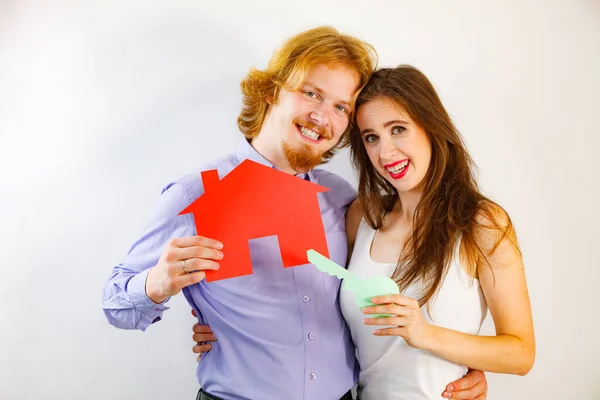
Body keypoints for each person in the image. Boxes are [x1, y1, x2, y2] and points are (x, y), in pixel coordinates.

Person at [103, 26, 488, 400]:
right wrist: (156, 283)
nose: (324, 115)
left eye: (341, 107)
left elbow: (382, 297)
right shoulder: (195, 195)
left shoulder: (343, 201)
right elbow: (115, 305)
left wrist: (458, 365)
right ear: (272, 91)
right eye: (312, 93)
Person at [343, 65, 535, 398]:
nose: (385, 152)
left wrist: (427, 335)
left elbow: (520, 353)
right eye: (371, 137)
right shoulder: (363, 215)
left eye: (398, 129)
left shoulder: (481, 224)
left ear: (431, 127)